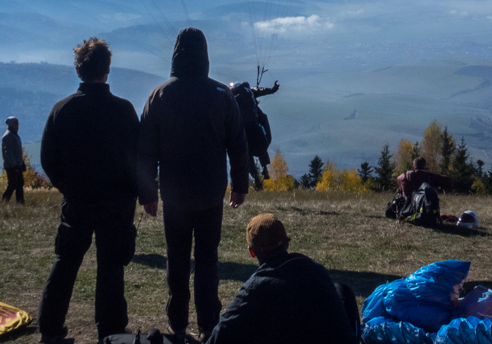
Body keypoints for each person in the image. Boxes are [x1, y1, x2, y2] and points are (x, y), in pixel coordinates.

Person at [139, 28, 250, 341]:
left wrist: (148, 192)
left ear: (176, 54)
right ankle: (208, 325)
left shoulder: (159, 95)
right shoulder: (221, 95)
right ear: (205, 55)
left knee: (176, 259)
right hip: (211, 193)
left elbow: (145, 149)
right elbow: (238, 145)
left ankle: (178, 325)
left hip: (173, 195)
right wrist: (239, 184)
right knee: (207, 259)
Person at [38, 38, 140, 343]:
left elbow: (47, 159)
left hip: (78, 201)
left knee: (66, 263)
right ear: (107, 70)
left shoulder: (62, 110)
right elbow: (138, 159)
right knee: (111, 268)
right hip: (116, 204)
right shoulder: (123, 110)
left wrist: (68, 187)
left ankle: (50, 328)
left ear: (79, 69)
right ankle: (110, 331)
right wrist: (136, 192)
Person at [205, 214, 358, 344]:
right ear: (287, 243)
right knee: (341, 289)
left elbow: (221, 335)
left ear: (252, 252)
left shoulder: (256, 286)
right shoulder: (315, 268)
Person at [1, 116, 25, 204]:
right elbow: (8, 153)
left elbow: (17, 152)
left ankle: (20, 202)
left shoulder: (14, 134)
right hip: (11, 166)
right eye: (15, 123)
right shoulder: (8, 136)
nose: (17, 125)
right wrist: (14, 166)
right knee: (13, 184)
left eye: (17, 123)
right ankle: (4, 201)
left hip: (17, 165)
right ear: (11, 125)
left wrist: (22, 163)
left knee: (19, 184)